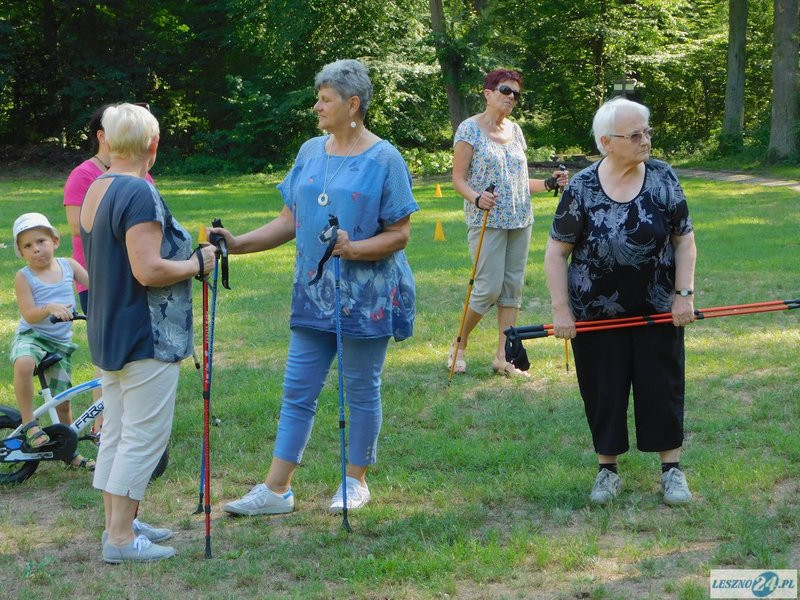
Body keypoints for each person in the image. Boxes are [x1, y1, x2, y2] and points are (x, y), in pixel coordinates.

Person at [218, 58, 418, 517]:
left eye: (324, 100)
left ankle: (354, 482)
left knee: (361, 388)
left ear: (353, 104)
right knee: (297, 389)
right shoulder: (311, 150)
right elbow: (291, 219)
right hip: (313, 293)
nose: (316, 107)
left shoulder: (385, 158)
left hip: (366, 298)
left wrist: (357, 247)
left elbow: (400, 233)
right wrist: (239, 244)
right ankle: (276, 490)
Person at [544, 96, 697, 506]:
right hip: (595, 314)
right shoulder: (582, 186)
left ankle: (672, 470)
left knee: (662, 387)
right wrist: (562, 310)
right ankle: (607, 471)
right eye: (635, 135)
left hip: (658, 308)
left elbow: (684, 240)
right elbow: (556, 252)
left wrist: (684, 295)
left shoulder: (664, 177)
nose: (645, 140)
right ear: (607, 142)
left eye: (646, 131)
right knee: (603, 389)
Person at [79, 103, 216, 563]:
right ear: (153, 144)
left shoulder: (97, 186)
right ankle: (119, 540)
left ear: (110, 140)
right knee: (142, 436)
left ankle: (120, 523)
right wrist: (197, 263)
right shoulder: (138, 192)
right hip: (144, 333)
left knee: (118, 431)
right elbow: (148, 269)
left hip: (108, 326)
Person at [450, 69, 568, 377]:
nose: (511, 97)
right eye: (505, 90)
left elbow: (518, 180)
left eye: (516, 94)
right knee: (487, 289)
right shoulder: (469, 130)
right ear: (488, 93)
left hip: (520, 220)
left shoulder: (515, 131)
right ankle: (458, 345)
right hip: (486, 220)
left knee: (512, 290)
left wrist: (549, 184)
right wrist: (476, 198)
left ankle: (505, 357)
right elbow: (458, 179)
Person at [64, 105, 156, 441]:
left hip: (131, 274)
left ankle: (121, 423)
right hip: (95, 276)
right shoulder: (84, 174)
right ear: (102, 136)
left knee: (130, 361)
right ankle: (104, 423)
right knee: (109, 358)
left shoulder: (142, 174)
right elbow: (76, 224)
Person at [10, 212, 93, 469]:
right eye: (28, 246)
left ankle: (69, 451)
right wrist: (49, 308)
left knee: (63, 403)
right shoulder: (24, 277)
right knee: (23, 363)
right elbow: (29, 315)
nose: (36, 249)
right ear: (22, 253)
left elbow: (96, 286)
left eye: (41, 241)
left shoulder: (69, 265)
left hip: (60, 345)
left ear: (55, 240)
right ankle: (30, 423)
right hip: (33, 336)